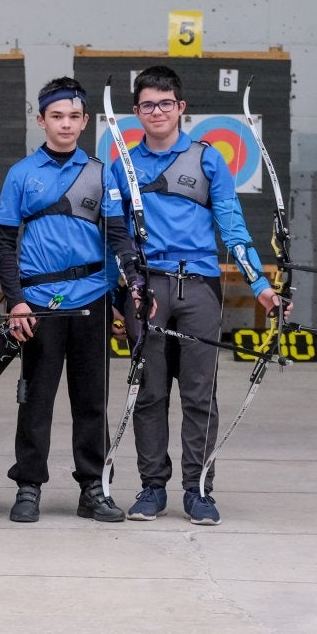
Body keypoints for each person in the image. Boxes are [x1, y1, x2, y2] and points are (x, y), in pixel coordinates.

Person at [108, 66, 282, 526]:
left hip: (199, 287)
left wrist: (260, 285)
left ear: (181, 108)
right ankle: (151, 487)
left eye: (166, 104)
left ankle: (198, 489)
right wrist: (116, 300)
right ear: (136, 112)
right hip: (146, 288)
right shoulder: (122, 165)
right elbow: (114, 236)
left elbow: (233, 227)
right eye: (148, 105)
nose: (157, 112)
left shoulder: (208, 160)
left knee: (199, 393)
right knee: (147, 392)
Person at [0, 78, 136, 524]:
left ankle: (93, 487)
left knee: (91, 399)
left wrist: (119, 294)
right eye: (57, 116)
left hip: (91, 298)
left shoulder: (101, 171)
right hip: (39, 303)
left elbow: (115, 236)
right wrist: (15, 302)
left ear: (85, 120)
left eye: (74, 116)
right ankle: (29, 485)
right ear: (41, 120)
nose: (66, 124)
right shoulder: (22, 173)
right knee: (35, 397)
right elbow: (3, 242)